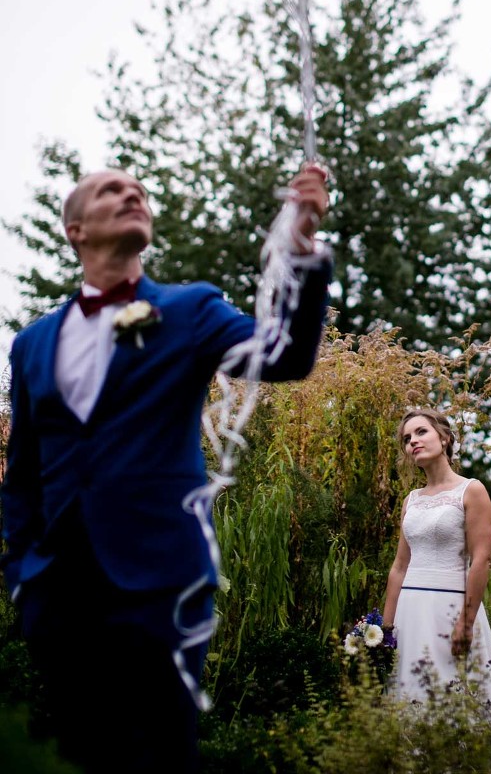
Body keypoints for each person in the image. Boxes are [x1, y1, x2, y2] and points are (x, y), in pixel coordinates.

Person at [0, 163, 332, 774]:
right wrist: (23, 576)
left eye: (140, 191)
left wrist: (303, 252)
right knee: (80, 755)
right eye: (111, 189)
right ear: (76, 230)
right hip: (58, 590)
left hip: (161, 581)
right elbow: (22, 475)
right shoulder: (31, 345)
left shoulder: (190, 309)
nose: (132, 193)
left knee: (159, 755)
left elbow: (283, 356)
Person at [382, 407, 491, 710]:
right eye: (407, 438)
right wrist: (386, 630)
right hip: (410, 611)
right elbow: (399, 567)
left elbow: (481, 560)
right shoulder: (411, 500)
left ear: (445, 437)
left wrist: (466, 622)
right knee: (409, 694)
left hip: (450, 610)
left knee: (452, 694)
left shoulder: (471, 490)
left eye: (421, 432)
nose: (413, 441)